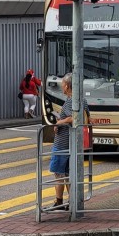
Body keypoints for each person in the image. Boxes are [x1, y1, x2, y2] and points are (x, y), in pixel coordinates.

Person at [47, 73, 74, 211]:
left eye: (63, 84)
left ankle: (59, 202)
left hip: (62, 143)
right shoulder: (82, 100)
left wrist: (59, 122)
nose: (61, 86)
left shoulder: (71, 101)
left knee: (59, 174)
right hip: (70, 143)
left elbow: (72, 117)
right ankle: (71, 202)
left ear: (67, 86)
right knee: (68, 174)